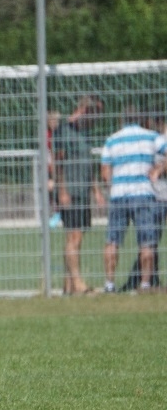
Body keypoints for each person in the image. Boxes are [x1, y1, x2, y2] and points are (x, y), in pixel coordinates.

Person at [99, 107, 166, 293]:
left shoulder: (112, 139)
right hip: (143, 193)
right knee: (146, 240)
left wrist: (112, 185)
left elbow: (105, 171)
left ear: (122, 120)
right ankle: (145, 284)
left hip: (119, 194)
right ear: (141, 120)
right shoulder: (151, 136)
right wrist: (158, 170)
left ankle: (109, 284)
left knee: (113, 240)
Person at [52, 95, 104, 295]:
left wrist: (96, 190)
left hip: (83, 192)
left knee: (76, 238)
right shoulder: (64, 130)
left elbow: (88, 165)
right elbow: (58, 163)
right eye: (96, 114)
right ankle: (78, 283)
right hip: (70, 192)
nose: (97, 120)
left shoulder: (85, 133)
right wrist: (62, 190)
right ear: (85, 110)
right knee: (74, 236)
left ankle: (69, 285)